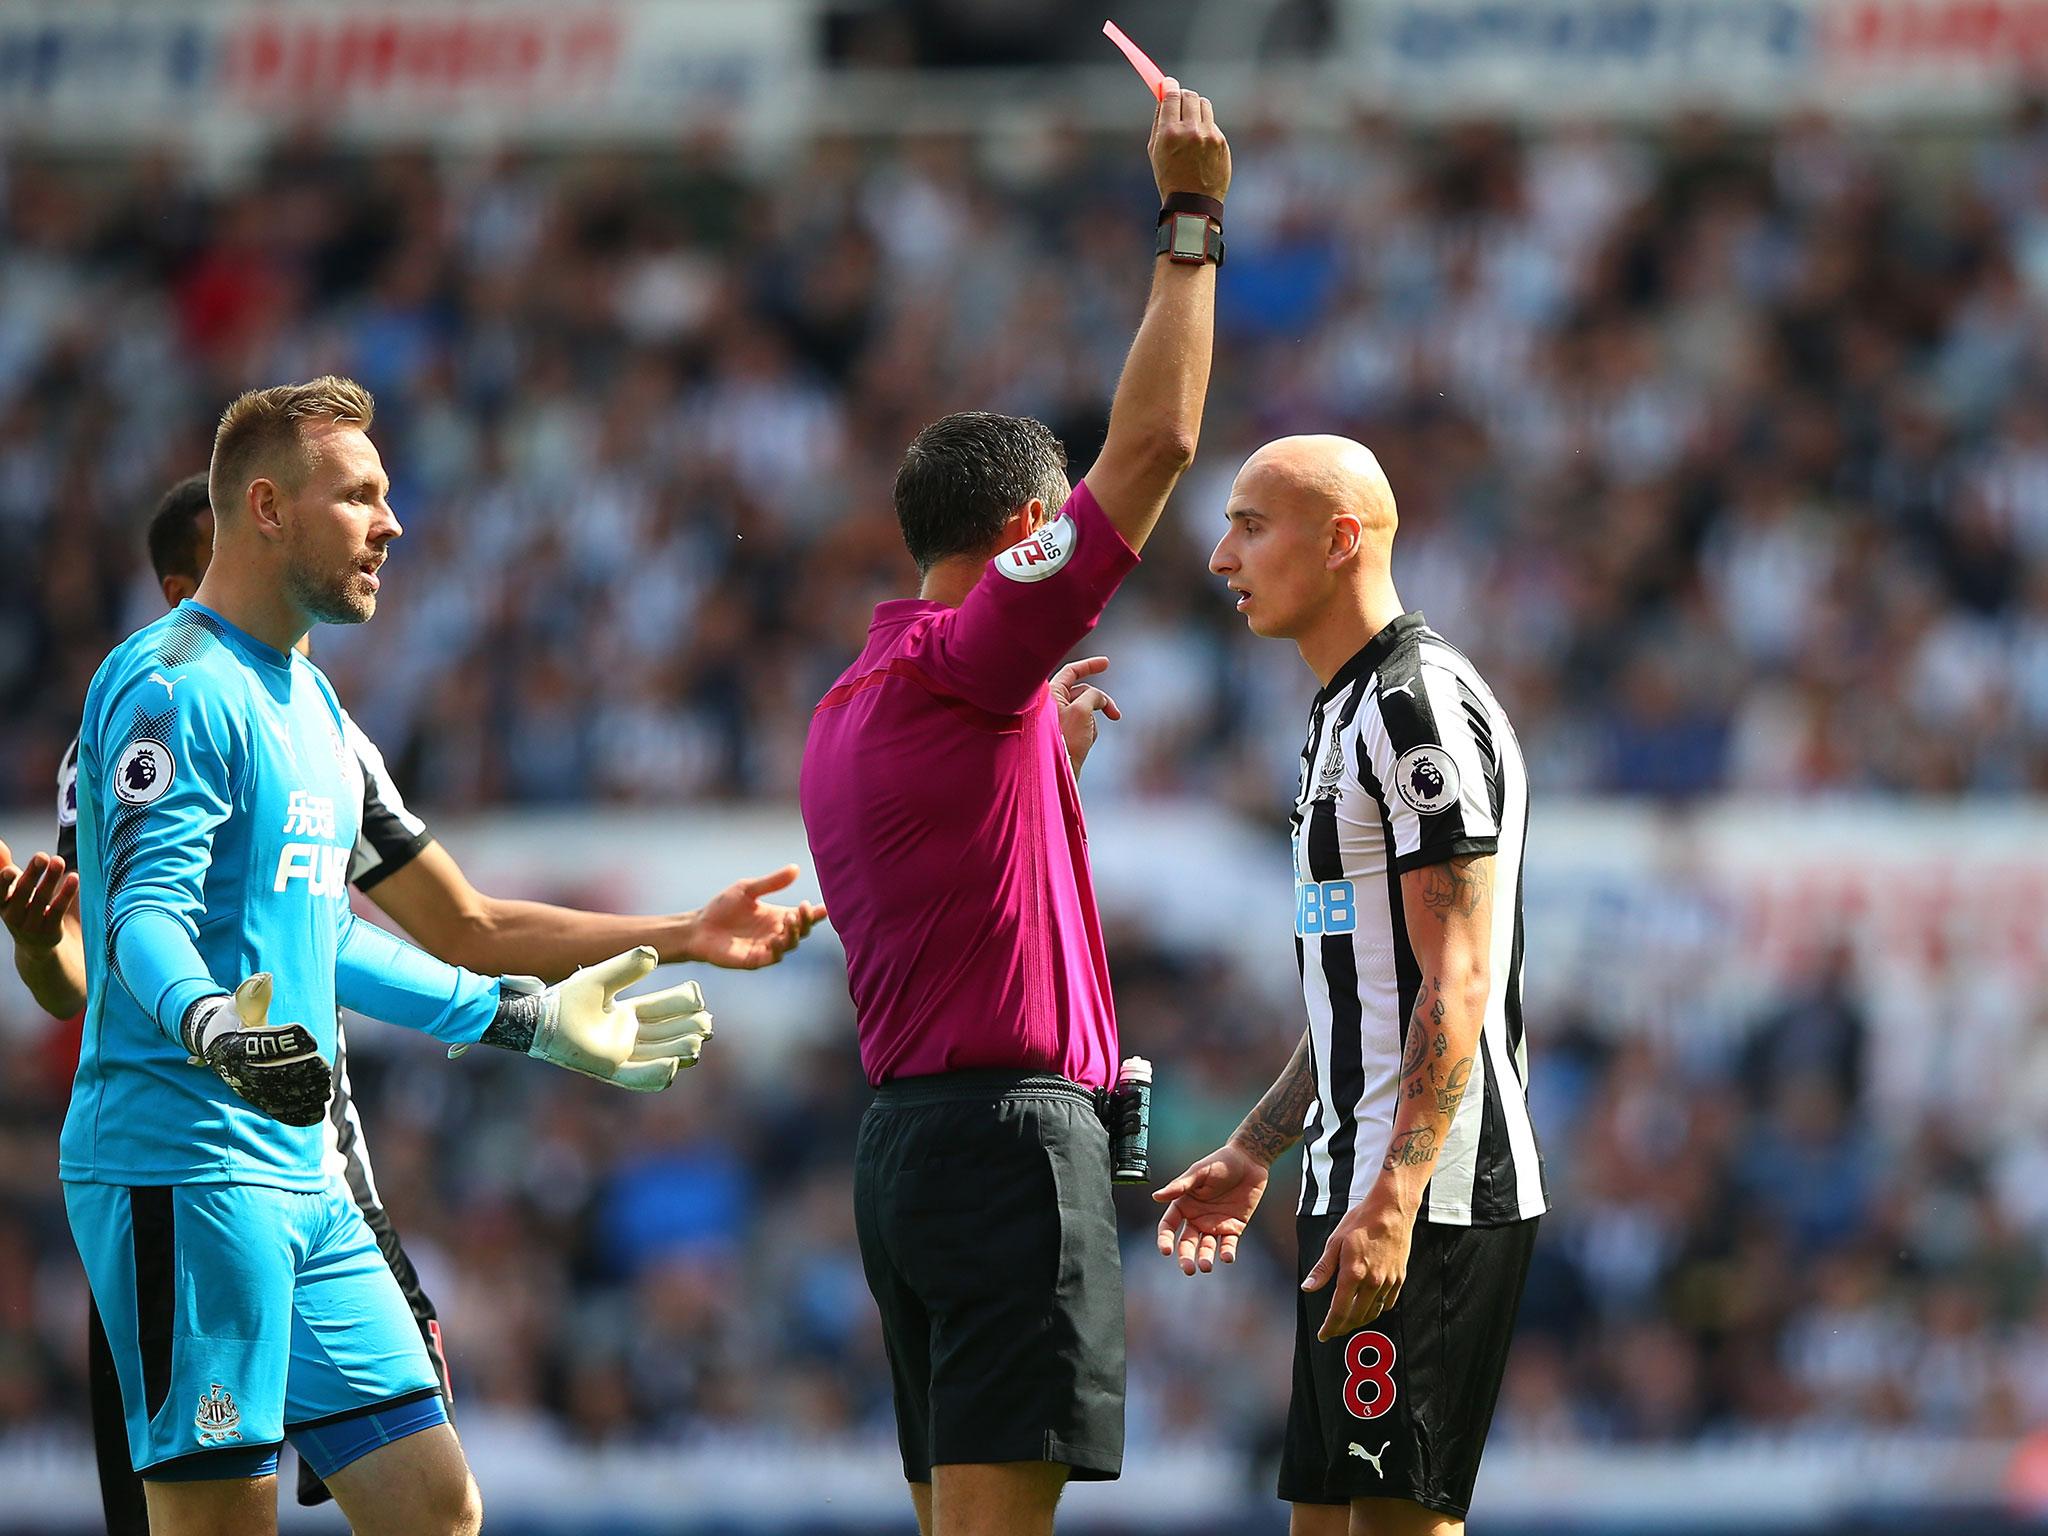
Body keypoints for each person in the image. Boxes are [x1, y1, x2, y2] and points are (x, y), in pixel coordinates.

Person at [0, 475, 824, 1533]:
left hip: (325, 1181)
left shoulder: (327, 734)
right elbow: (92, 969)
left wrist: (673, 935)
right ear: (186, 582)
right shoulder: (141, 722)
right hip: (185, 1171)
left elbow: (458, 924)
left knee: (433, 1506)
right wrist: (47, 949)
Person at [798, 81, 1230, 1536]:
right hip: (1003, 1154)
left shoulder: (852, 708)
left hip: (909, 1153)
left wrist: (1045, 764)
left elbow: (949, 881)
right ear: (1018, 539)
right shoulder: (962, 669)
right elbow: (1158, 447)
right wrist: (1190, 221)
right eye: (1053, 533)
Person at [1154, 436, 1547, 1536]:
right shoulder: (1339, 711)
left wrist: (1392, 1198)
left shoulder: (1413, 710)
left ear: (1339, 541)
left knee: (1394, 1527)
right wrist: (1256, 1147)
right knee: (1324, 1525)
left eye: (1248, 525)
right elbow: (1361, 994)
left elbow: (1452, 978)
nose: (1223, 557)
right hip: (1352, 1185)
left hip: (1423, 1194)